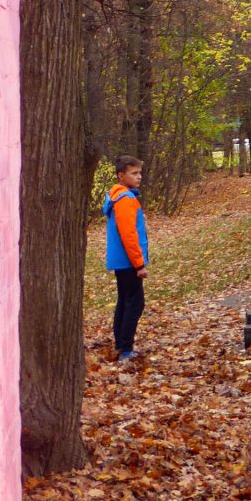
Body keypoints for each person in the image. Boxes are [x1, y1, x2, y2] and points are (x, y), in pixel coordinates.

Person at [104, 155, 149, 365]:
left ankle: (121, 344)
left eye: (139, 172)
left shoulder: (120, 196)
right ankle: (125, 347)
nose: (138, 177)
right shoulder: (125, 199)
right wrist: (139, 264)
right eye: (134, 173)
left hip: (123, 261)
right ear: (122, 176)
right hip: (128, 261)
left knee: (125, 300)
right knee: (135, 303)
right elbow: (129, 235)